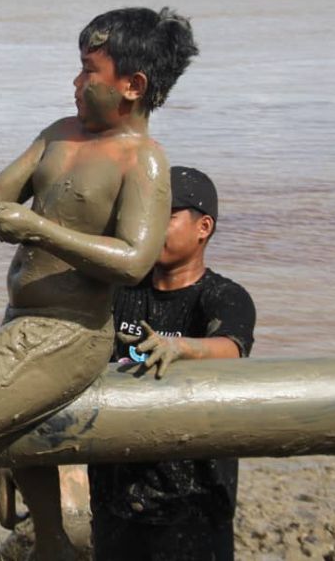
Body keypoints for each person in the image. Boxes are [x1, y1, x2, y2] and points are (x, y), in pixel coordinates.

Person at [0, 7, 199, 561]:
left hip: (71, 333)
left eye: (89, 70)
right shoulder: (58, 134)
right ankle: (55, 545)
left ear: (132, 86)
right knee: (17, 441)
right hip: (21, 321)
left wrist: (39, 229)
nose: (75, 82)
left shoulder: (142, 161)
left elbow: (134, 261)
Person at [88, 166, 257, 561]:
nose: (151, 225)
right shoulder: (118, 292)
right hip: (116, 495)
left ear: (204, 227)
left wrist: (183, 349)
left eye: (167, 214)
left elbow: (231, 348)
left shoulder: (224, 297)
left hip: (195, 501)